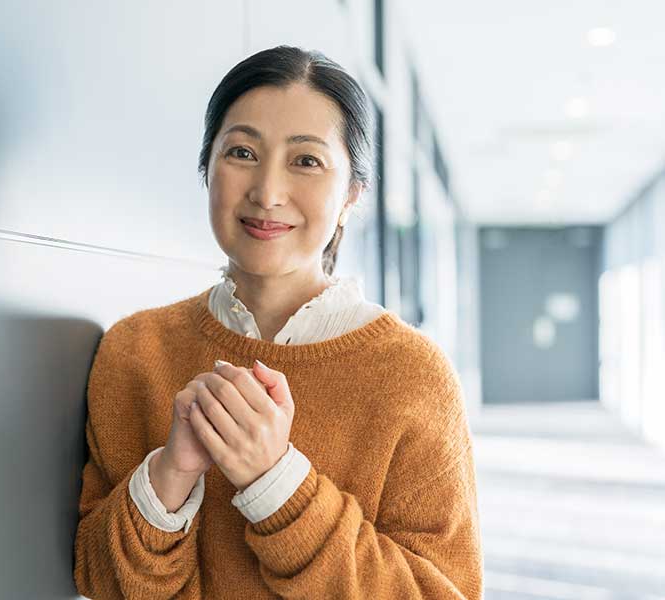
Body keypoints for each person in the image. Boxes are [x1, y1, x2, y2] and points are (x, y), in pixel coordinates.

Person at [73, 45, 483, 599]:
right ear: (207, 168)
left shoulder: (413, 375)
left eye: (306, 160)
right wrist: (171, 474)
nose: (267, 193)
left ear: (351, 196)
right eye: (241, 152)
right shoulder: (133, 351)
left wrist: (277, 485)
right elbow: (100, 581)